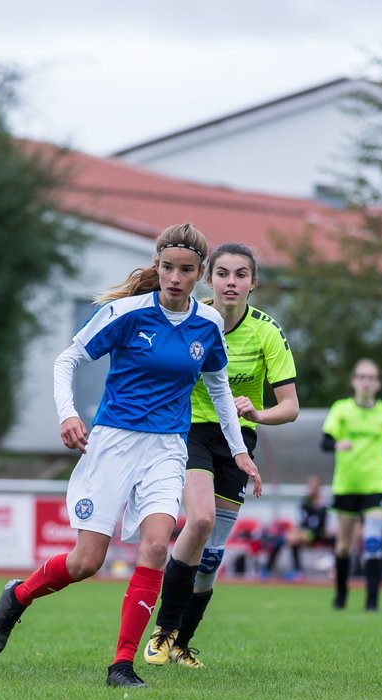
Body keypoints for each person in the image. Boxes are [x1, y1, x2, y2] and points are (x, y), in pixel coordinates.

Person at [0, 223, 261, 688]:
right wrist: (68, 414)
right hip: (113, 442)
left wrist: (240, 452)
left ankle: (122, 665)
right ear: (157, 266)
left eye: (186, 270)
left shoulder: (208, 325)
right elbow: (67, 359)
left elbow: (218, 389)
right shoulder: (126, 313)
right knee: (86, 562)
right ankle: (20, 595)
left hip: (168, 448)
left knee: (156, 545)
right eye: (167, 267)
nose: (175, 276)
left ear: (200, 276)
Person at [143, 242, 298, 669]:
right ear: (209, 279)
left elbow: (291, 406)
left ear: (253, 283)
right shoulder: (192, 319)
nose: (232, 282)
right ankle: (163, 629)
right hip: (188, 429)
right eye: (224, 274)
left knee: (211, 558)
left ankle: (180, 644)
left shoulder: (267, 331)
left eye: (241, 275)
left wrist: (257, 411)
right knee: (201, 519)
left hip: (238, 441)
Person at [321, 358, 382, 612]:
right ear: (353, 381)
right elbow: (325, 442)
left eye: (371, 377)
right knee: (344, 545)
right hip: (346, 485)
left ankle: (372, 602)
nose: (366, 381)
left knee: (372, 542)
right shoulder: (341, 409)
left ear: (378, 383)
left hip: (376, 484)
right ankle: (341, 596)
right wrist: (338, 444)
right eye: (362, 376)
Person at [283, 473, 330, 579]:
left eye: (315, 486)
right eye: (311, 486)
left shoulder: (323, 504)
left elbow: (319, 525)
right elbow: (301, 520)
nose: (312, 489)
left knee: (294, 540)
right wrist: (297, 531)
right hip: (304, 532)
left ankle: (298, 571)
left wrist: (303, 534)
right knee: (286, 538)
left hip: (318, 534)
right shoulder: (304, 501)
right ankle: (296, 570)